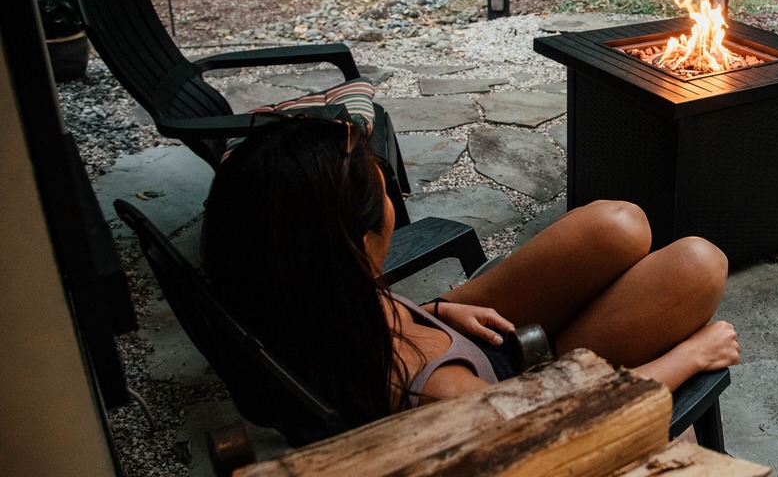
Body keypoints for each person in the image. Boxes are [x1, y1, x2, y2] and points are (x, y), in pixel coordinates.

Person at [201, 116, 740, 428]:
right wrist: (689, 357)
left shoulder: (288, 284)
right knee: (699, 265)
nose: (391, 195)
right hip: (512, 395)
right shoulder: (436, 394)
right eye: (382, 186)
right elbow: (560, 422)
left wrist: (436, 308)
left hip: (444, 335)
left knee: (618, 225)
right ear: (357, 243)